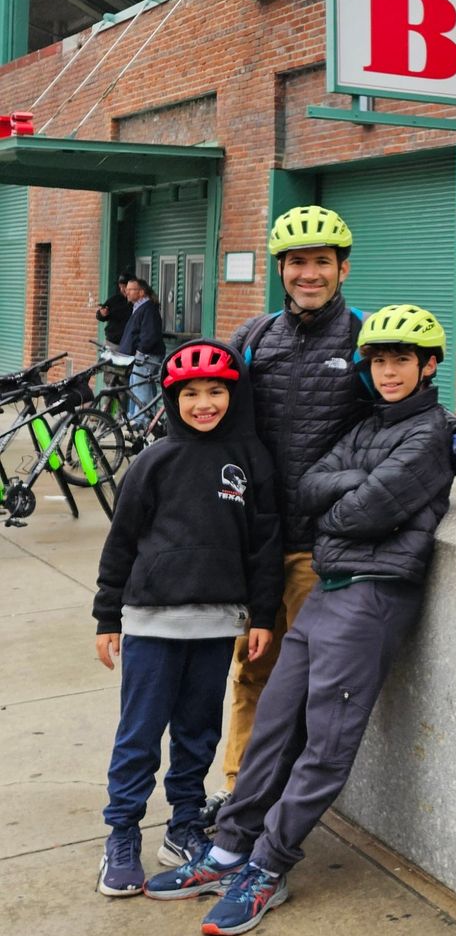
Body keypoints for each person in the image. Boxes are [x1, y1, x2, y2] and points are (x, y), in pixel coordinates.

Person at [145, 304, 455, 936]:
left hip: (373, 595)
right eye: (379, 360)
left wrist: (344, 501)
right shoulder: (370, 423)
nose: (389, 370)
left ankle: (270, 865)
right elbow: (311, 485)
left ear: (428, 366)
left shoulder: (431, 433)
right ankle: (231, 845)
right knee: (276, 721)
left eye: (403, 360)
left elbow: (357, 511)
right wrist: (352, 491)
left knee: (325, 741)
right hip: (330, 588)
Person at [92, 340, 282, 896]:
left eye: (216, 392)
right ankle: (122, 833)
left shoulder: (250, 460)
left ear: (233, 395)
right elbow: (121, 542)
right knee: (141, 732)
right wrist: (108, 616)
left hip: (217, 622)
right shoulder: (154, 461)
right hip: (152, 623)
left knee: (199, 732)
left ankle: (181, 825)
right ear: (173, 399)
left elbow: (265, 546)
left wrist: (263, 615)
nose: (204, 403)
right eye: (191, 393)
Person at [216, 204, 370, 801]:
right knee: (251, 671)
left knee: (308, 682)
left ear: (343, 269)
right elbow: (207, 415)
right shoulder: (253, 338)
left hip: (320, 548)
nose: (310, 274)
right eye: (298, 263)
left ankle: (282, 802)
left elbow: (403, 402)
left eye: (322, 263)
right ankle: (237, 795)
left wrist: (452, 434)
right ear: (281, 270)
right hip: (256, 542)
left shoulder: (363, 337)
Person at [118, 278, 164, 422]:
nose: (127, 292)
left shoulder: (148, 309)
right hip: (139, 356)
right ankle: (140, 418)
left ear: (141, 292)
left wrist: (140, 351)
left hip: (146, 356)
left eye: (131, 289)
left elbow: (150, 335)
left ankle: (143, 421)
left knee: (141, 387)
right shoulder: (138, 307)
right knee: (137, 386)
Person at [96, 274, 132, 348]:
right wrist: (102, 314)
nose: (122, 290)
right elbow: (100, 315)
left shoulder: (137, 302)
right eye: (120, 287)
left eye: (124, 287)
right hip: (112, 342)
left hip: (130, 344)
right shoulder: (115, 299)